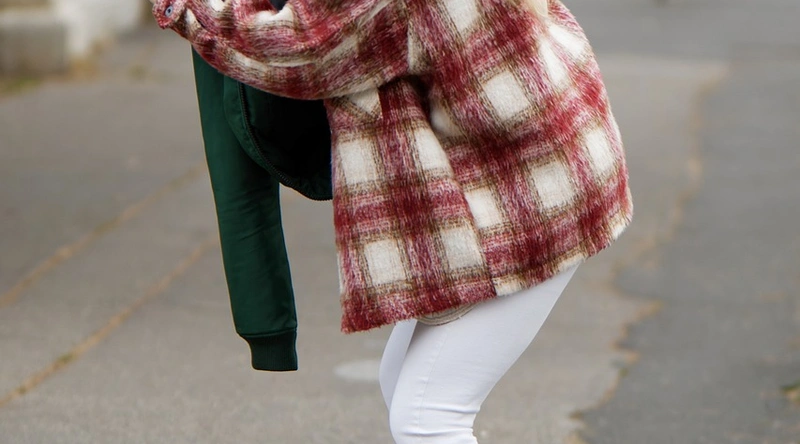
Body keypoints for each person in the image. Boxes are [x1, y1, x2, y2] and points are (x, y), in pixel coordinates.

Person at [153, 0, 633, 442]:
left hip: (529, 194)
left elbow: (301, 48)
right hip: (530, 162)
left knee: (427, 416)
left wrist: (185, 9)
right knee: (402, 383)